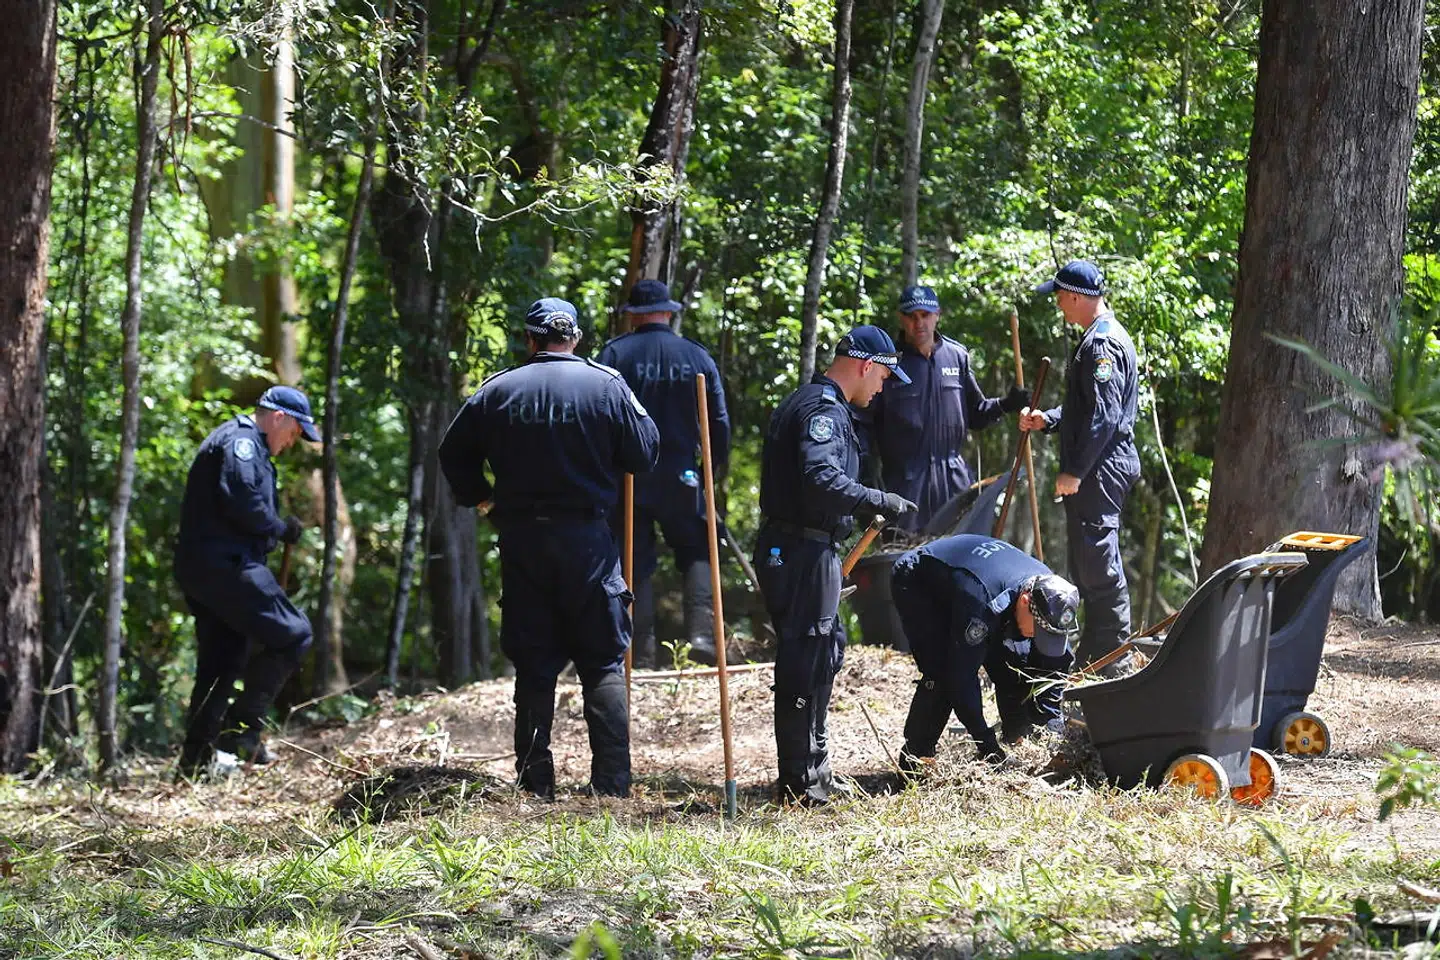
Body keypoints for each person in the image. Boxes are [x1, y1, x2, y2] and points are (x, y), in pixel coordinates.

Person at [438, 297, 660, 799]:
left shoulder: (497, 391)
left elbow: (452, 453)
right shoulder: (606, 385)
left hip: (523, 542)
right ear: (575, 338)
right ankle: (611, 784)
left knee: (535, 664)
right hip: (587, 541)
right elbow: (644, 452)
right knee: (603, 660)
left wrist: (483, 499)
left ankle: (535, 783)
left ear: (530, 338)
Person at [754, 326, 919, 805]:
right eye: (885, 376)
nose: (883, 387)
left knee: (825, 650)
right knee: (806, 659)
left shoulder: (811, 401)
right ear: (867, 365)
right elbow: (818, 475)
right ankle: (802, 782)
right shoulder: (822, 409)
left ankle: (812, 768)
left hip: (807, 547)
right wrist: (873, 497)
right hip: (800, 550)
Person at [175, 385, 320, 777]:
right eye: (294, 432)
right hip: (226, 566)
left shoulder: (239, 442)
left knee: (221, 663)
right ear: (279, 417)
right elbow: (243, 501)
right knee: (294, 633)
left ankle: (195, 761)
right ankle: (241, 732)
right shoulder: (241, 443)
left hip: (207, 569)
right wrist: (280, 528)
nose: (292, 442)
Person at [597, 279, 730, 668]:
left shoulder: (614, 355)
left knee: (632, 556)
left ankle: (641, 650)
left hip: (630, 477)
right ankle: (702, 636)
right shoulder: (697, 357)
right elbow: (718, 423)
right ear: (669, 312)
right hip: (682, 475)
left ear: (633, 316)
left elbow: (599, 417)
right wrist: (709, 470)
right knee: (697, 548)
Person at [1019, 260, 1139, 669]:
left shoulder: (1102, 344)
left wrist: (1075, 471)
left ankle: (1114, 661)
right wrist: (1048, 419)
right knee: (1088, 568)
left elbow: (1104, 419)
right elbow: (1086, 409)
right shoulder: (1096, 338)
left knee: (1099, 567)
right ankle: (1094, 656)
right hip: (1098, 467)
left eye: (1058, 297)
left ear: (1074, 296)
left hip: (1101, 470)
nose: (1057, 305)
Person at [890, 534, 1080, 769]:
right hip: (922, 582)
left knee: (1016, 663)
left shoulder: (1050, 595)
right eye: (1039, 630)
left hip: (974, 586)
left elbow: (1053, 669)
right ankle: (914, 761)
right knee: (941, 672)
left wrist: (1053, 728)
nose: (1039, 636)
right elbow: (961, 678)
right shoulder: (984, 603)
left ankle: (1017, 739)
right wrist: (987, 745)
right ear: (1024, 601)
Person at [861, 285, 1030, 533]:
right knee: (906, 558)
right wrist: (868, 481)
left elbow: (977, 414)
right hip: (905, 485)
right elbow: (865, 426)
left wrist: (1007, 404)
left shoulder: (956, 356)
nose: (919, 323)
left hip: (954, 482)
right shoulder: (889, 363)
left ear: (937, 314)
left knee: (959, 555)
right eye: (911, 316)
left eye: (925, 315)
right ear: (901, 318)